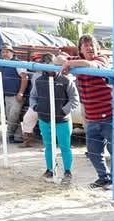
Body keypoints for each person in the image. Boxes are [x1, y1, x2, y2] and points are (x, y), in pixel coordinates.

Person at [58, 34, 114, 189]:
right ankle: (104, 177)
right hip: (91, 117)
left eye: (93, 46)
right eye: (86, 46)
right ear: (80, 49)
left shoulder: (101, 60)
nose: (90, 48)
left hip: (110, 116)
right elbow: (58, 59)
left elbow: (90, 65)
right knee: (93, 152)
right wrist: (66, 61)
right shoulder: (76, 61)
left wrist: (69, 63)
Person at [30, 54, 79, 185]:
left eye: (54, 65)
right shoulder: (39, 80)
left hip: (62, 120)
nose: (51, 68)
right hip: (44, 119)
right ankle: (50, 169)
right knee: (48, 146)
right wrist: (36, 107)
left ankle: (67, 171)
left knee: (65, 146)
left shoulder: (66, 80)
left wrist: (64, 111)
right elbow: (33, 96)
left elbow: (74, 99)